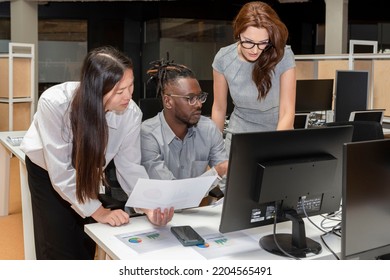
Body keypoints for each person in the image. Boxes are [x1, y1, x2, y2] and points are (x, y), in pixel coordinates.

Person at [20, 46, 173, 260]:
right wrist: (99, 211)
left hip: (88, 170)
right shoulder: (55, 104)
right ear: (95, 88)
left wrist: (148, 206)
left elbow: (129, 166)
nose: (128, 96)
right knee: (56, 241)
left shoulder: (130, 114)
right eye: (119, 91)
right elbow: (61, 172)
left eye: (131, 86)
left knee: (86, 239)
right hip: (47, 170)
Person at [212, 1, 296, 153]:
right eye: (249, 42)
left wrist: (276, 148)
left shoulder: (283, 56)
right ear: (238, 34)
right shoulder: (223, 59)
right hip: (239, 136)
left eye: (263, 43)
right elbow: (219, 108)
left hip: (278, 132)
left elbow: (287, 111)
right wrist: (214, 151)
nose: (255, 50)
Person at [140, 59, 228, 196]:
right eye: (190, 98)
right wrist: (217, 172)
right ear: (168, 101)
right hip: (153, 213)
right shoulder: (148, 135)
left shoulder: (208, 129)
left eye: (200, 97)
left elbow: (227, 181)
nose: (199, 104)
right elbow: (170, 192)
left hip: (191, 213)